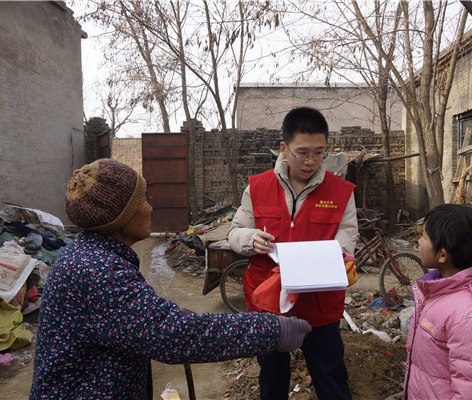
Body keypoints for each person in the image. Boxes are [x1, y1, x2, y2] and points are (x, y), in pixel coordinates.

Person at [30, 158, 311, 399]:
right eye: (142, 200)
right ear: (120, 218)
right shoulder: (98, 273)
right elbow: (173, 334)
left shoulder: (89, 255)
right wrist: (272, 330)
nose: (150, 208)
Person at [228, 106, 358, 400]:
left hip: (319, 302)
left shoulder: (341, 191)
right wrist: (251, 238)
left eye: (318, 152)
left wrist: (338, 256)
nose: (310, 161)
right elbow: (235, 232)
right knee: (272, 377)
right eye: (302, 152)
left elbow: (347, 237)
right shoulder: (258, 187)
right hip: (269, 300)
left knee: (330, 376)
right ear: (284, 148)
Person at [404, 204, 472, 400]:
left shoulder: (470, 318)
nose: (419, 242)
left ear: (442, 254)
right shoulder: (437, 291)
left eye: (424, 237)